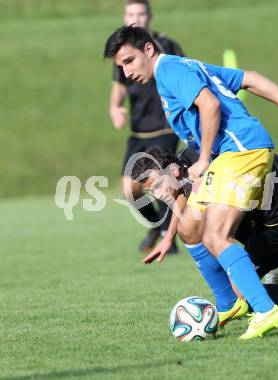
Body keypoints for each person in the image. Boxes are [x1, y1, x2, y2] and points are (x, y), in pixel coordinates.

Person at [103, 25, 278, 339]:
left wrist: (204, 157)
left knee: (215, 235)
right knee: (190, 225)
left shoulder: (169, 70)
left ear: (147, 49)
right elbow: (248, 78)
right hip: (235, 154)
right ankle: (228, 305)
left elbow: (209, 105)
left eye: (129, 61)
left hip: (241, 152)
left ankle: (265, 311)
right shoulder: (186, 66)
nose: (127, 72)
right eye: (121, 67)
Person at [130, 147, 278, 326]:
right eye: (152, 191)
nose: (158, 195)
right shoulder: (188, 161)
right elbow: (182, 206)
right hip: (262, 203)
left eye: (158, 185)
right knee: (203, 224)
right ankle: (266, 269)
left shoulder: (204, 170)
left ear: (172, 170)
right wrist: (168, 238)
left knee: (243, 290)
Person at [109, 0, 183, 253]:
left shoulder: (166, 44)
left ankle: (168, 236)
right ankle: (157, 226)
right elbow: (118, 86)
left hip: (165, 127)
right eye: (130, 13)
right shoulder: (122, 50)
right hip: (138, 130)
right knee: (130, 190)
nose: (135, 18)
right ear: (124, 15)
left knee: (162, 180)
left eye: (140, 13)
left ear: (149, 16)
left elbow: (182, 75)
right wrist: (115, 108)